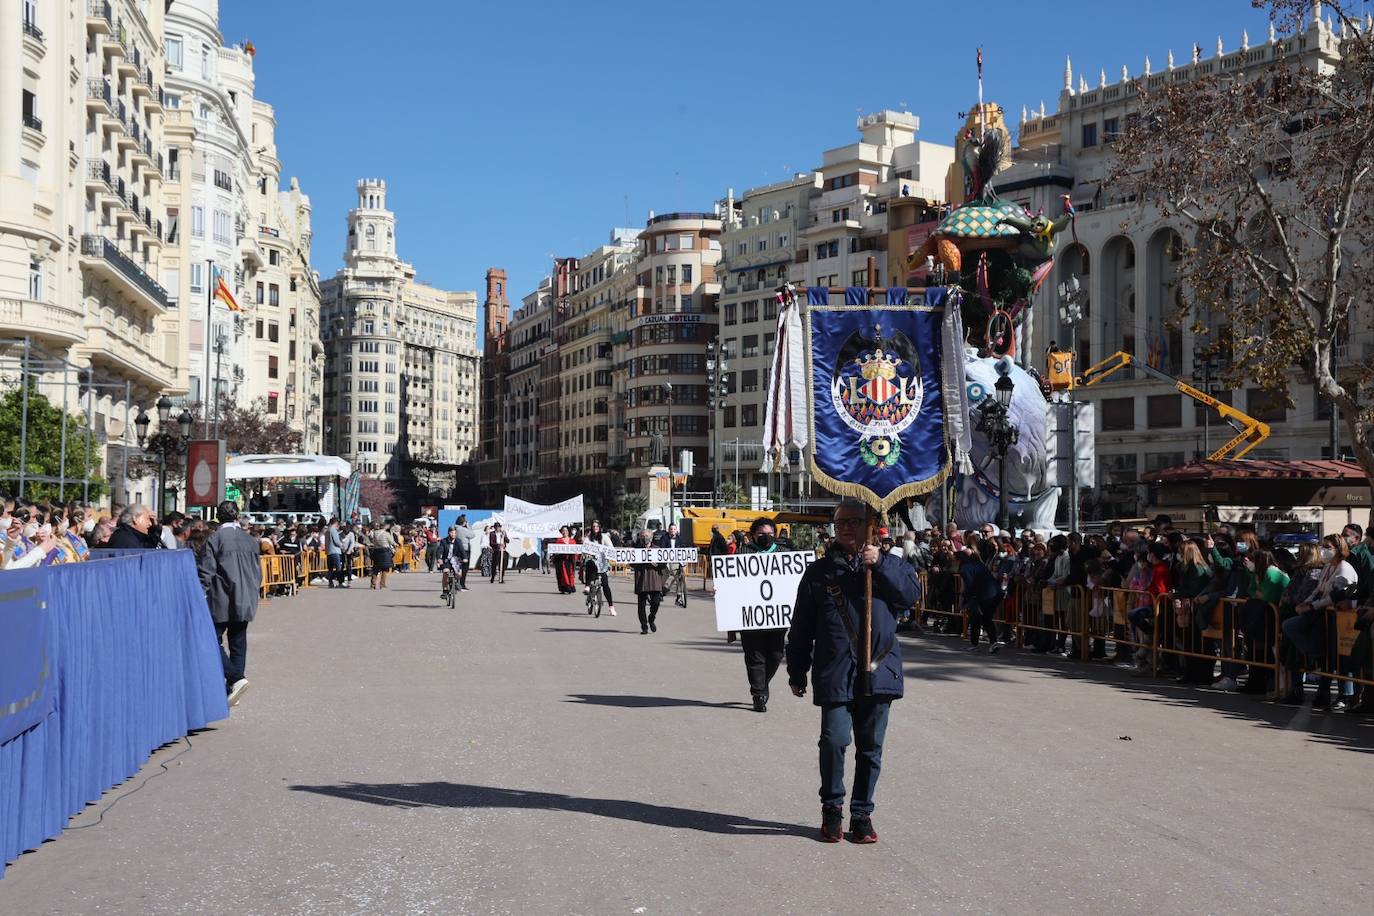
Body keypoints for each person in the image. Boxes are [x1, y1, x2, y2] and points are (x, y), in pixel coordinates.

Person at [786, 498, 921, 844]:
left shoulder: (891, 565)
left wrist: (882, 565)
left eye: (854, 521)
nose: (846, 527)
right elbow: (801, 626)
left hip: (880, 670)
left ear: (870, 525)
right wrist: (797, 671)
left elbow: (910, 596)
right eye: (840, 521)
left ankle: (862, 813)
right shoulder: (819, 572)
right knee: (833, 741)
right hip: (835, 670)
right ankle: (832, 808)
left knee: (870, 748)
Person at [1280, 534, 1357, 710]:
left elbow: (1334, 596)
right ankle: (1313, 655)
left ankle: (1345, 696)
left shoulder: (1344, 568)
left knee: (1339, 657)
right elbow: (1318, 589)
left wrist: (1311, 606)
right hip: (1320, 614)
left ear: (1338, 548)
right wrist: (1305, 603)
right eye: (1323, 546)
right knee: (1291, 628)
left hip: (1336, 616)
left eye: (1328, 546)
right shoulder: (1328, 567)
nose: (1324, 550)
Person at [197, 501, 262, 707]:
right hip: (245, 597)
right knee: (238, 642)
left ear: (218, 516)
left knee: (211, 639)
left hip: (221, 598)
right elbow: (258, 571)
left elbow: (206, 572)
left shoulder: (214, 540)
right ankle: (234, 687)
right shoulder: (251, 540)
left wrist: (199, 594)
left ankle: (235, 679)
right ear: (237, 515)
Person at [737, 517, 788, 712]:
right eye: (761, 533)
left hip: (776, 618)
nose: (766, 537)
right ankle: (758, 694)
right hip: (751, 616)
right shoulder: (742, 553)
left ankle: (762, 683)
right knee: (755, 655)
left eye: (770, 533)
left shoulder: (784, 554)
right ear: (753, 535)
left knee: (776, 655)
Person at [959, 539, 1003, 652]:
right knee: (981, 618)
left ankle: (989, 642)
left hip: (985, 594)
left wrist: (966, 598)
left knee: (982, 618)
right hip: (994, 593)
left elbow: (969, 584)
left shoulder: (965, 568)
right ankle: (985, 642)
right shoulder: (979, 565)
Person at [632, 531, 667, 634]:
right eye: (642, 536)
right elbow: (631, 563)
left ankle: (651, 618)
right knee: (641, 605)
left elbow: (663, 564)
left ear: (651, 537)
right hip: (642, 579)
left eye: (646, 536)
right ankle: (644, 626)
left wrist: (656, 565)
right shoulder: (637, 550)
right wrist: (640, 563)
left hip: (654, 579)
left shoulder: (657, 549)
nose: (644, 538)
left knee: (656, 602)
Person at [581, 520, 616, 616]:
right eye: (593, 526)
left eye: (597, 526)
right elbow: (585, 547)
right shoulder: (589, 537)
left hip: (602, 563)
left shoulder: (604, 537)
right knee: (589, 565)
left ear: (599, 527)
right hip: (592, 561)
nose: (595, 528)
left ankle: (611, 606)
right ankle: (587, 586)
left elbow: (611, 548)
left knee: (605, 585)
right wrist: (585, 546)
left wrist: (609, 555)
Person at [436, 526, 463, 600]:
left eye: (455, 533)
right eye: (452, 532)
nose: (453, 534)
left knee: (459, 573)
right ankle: (445, 591)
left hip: (456, 560)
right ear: (448, 533)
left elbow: (462, 550)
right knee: (446, 572)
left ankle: (457, 583)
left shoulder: (458, 541)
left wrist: (465, 558)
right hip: (446, 561)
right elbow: (439, 550)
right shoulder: (444, 541)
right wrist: (439, 558)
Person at [369, 523, 396, 589]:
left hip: (376, 551)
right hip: (385, 551)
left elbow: (372, 539)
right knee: (385, 568)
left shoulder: (375, 533)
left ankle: (373, 584)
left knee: (376, 568)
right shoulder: (386, 534)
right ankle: (382, 583)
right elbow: (391, 542)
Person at [553, 524, 578, 594]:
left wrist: (575, 555)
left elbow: (575, 550)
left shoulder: (572, 541)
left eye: (566, 530)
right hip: (561, 560)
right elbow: (555, 551)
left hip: (570, 560)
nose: (564, 532)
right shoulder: (559, 540)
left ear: (568, 531)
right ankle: (565, 587)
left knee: (570, 574)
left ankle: (571, 586)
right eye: (563, 531)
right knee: (563, 574)